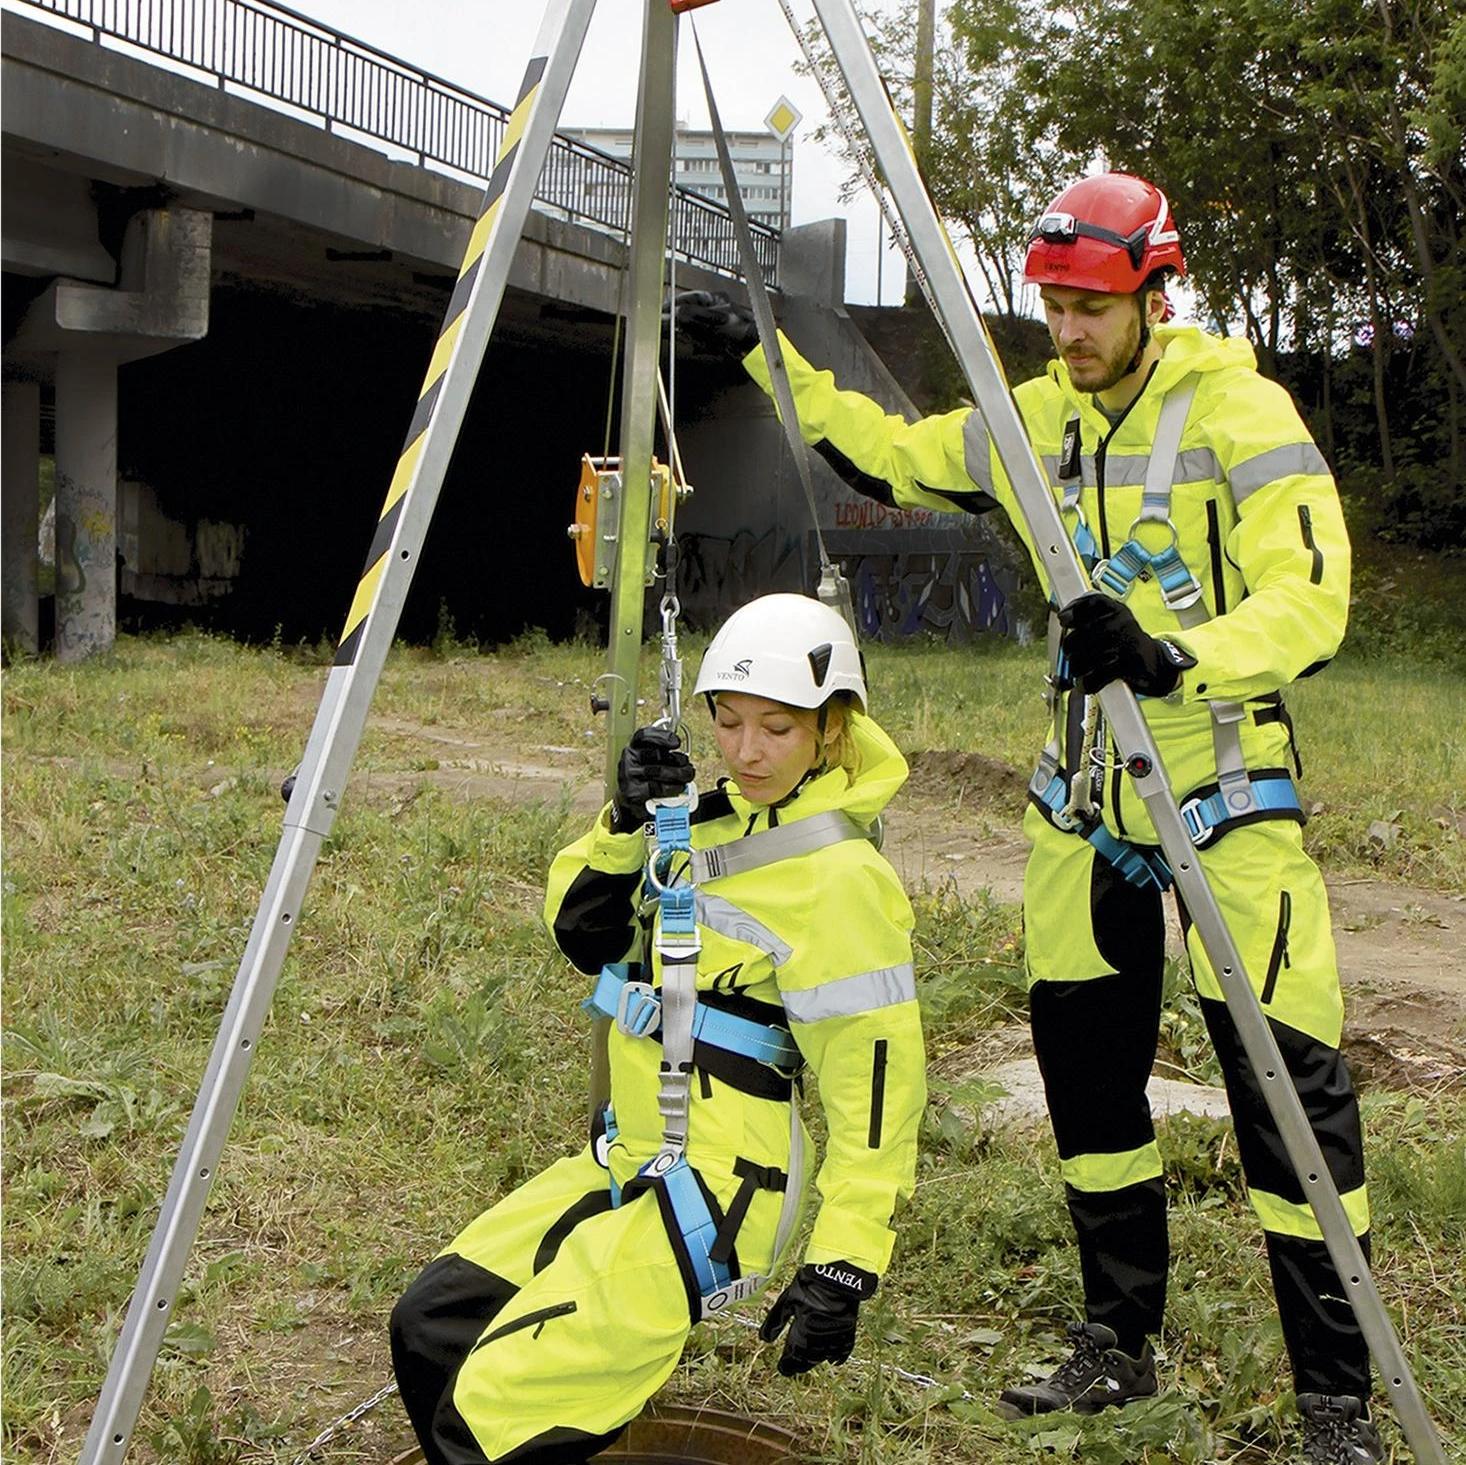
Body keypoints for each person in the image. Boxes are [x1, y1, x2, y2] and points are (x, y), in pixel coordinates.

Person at [678, 173, 1379, 1464]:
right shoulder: (1033, 419)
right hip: (1079, 812)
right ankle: (1116, 1340)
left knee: (1289, 1101)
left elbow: (1312, 595)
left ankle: (1335, 1403)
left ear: (1154, 295)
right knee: (1087, 1088)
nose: (1066, 332)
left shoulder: (1238, 412)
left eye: (1091, 309)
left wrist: (1171, 653)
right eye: (1052, 308)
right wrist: (769, 360)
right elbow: (890, 452)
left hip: (1226, 802)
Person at [390, 593, 926, 1464]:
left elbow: (876, 1085)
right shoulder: (700, 825)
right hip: (632, 1152)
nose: (746, 752)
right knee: (432, 1327)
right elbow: (582, 933)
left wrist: (844, 1259)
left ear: (832, 728)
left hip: (721, 1188)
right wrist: (625, 822)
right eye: (729, 721)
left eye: (777, 728)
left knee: (491, 1418)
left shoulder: (840, 879)